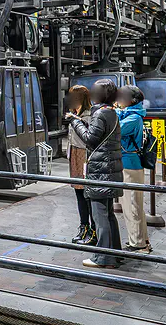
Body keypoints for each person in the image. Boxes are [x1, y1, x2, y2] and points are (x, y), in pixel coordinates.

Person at [69, 79, 123, 269]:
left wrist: (75, 122)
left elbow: (90, 139)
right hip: (110, 170)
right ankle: (115, 254)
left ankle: (103, 258)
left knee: (100, 216)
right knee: (108, 215)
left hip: (100, 171)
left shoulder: (100, 113)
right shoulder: (111, 112)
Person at [116, 85, 151, 254]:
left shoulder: (134, 118)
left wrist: (113, 112)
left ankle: (137, 244)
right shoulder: (130, 114)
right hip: (129, 164)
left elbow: (116, 129)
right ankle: (142, 241)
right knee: (134, 205)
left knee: (132, 206)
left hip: (130, 165)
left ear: (131, 100)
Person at [64, 85, 95, 245]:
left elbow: (87, 138)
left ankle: (93, 230)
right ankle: (84, 227)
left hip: (84, 156)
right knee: (79, 194)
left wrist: (75, 120)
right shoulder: (76, 114)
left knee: (87, 195)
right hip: (75, 155)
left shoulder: (89, 116)